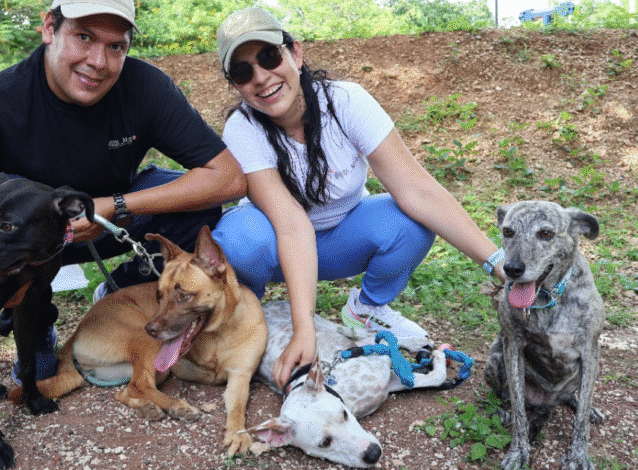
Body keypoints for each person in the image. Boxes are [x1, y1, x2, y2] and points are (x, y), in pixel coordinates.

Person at [0, 0, 246, 384]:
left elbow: (227, 178)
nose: (98, 62)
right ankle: (31, 318)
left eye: (115, 46)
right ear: (49, 28)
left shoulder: (145, 87)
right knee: (37, 377)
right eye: (83, 37)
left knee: (197, 206)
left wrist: (114, 205)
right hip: (23, 244)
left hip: (107, 223)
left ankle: (120, 295)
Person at [211, 7, 505, 389]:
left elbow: (418, 190)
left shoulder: (346, 102)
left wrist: (497, 262)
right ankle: (248, 310)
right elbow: (291, 225)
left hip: (339, 240)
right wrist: (304, 329)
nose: (262, 77)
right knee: (239, 241)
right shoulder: (243, 129)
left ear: (295, 53)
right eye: (242, 71)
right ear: (235, 85)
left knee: (411, 220)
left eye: (269, 56)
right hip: (274, 246)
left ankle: (366, 309)